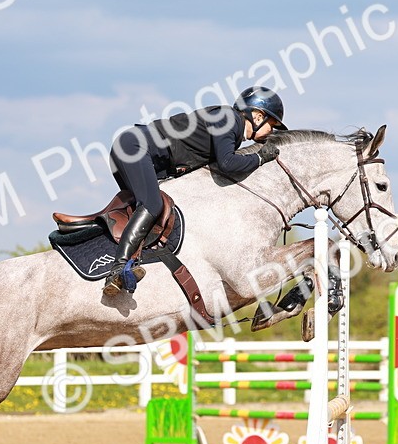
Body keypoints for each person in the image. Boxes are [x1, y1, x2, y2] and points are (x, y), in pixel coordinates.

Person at [100, 86, 288, 297]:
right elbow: (227, 163)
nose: (271, 132)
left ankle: (125, 263)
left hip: (135, 149)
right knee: (152, 205)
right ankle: (118, 268)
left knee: (150, 216)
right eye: (271, 125)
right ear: (257, 115)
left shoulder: (228, 124)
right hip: (135, 147)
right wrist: (260, 158)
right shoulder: (229, 120)